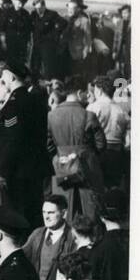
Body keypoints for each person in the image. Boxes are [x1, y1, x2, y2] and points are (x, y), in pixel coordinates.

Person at [0, 61, 51, 225]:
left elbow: (12, 140)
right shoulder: (37, 101)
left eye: (4, 80)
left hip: (17, 170)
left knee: (18, 214)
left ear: (11, 77)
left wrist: (2, 171)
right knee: (35, 212)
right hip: (36, 166)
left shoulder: (13, 105)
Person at [47, 76, 107, 220]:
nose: (87, 95)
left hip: (62, 170)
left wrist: (62, 155)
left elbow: (49, 146)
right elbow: (101, 145)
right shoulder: (88, 115)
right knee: (90, 212)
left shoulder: (51, 115)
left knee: (64, 212)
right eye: (86, 92)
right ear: (79, 92)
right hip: (87, 169)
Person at [22, 195, 78, 280]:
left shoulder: (73, 237)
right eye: (44, 212)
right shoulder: (37, 234)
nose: (46, 217)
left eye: (51, 213)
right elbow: (21, 257)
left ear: (64, 213)